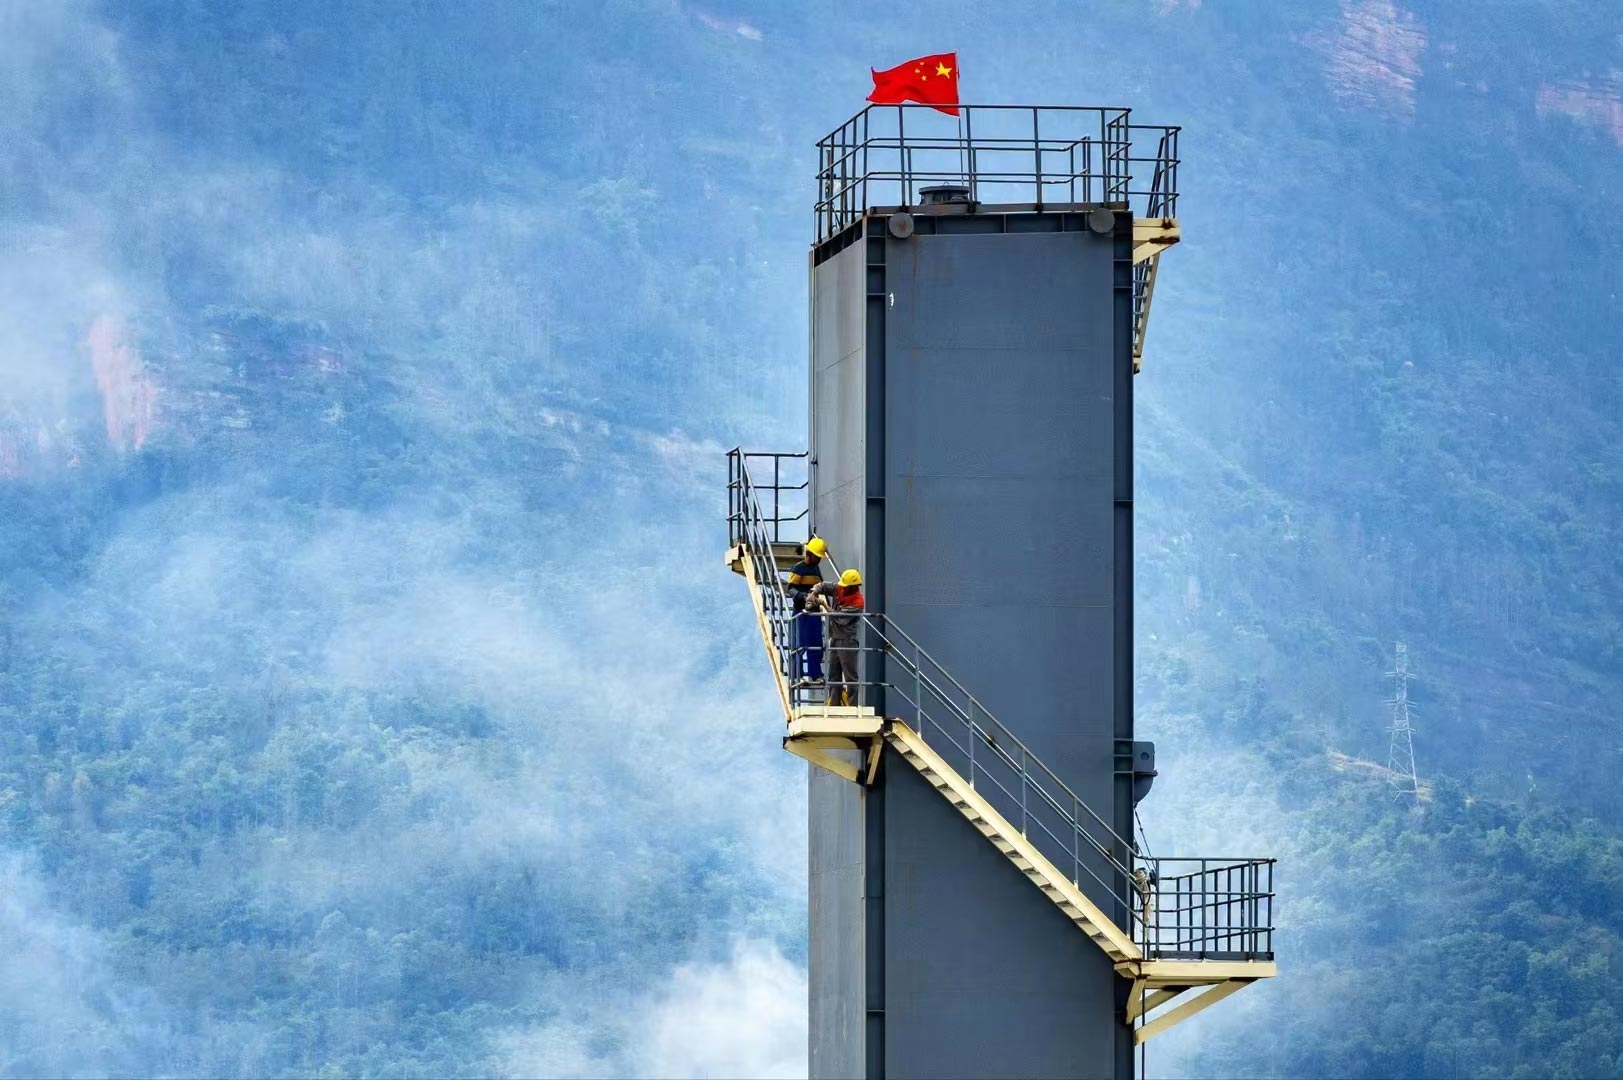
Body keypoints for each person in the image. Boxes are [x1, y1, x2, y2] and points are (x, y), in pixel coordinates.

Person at [812, 568, 865, 707]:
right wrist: (814, 592)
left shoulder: (858, 602)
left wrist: (823, 604)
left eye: (846, 586)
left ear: (854, 587)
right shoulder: (840, 588)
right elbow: (824, 585)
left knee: (850, 675)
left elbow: (840, 619)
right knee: (833, 674)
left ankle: (852, 706)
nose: (843, 588)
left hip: (848, 640)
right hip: (835, 638)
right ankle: (834, 703)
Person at [784, 537, 828, 683]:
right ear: (809, 554)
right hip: (800, 612)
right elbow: (790, 589)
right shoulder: (798, 569)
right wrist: (804, 596)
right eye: (817, 557)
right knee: (799, 643)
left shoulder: (816, 570)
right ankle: (797, 675)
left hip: (814, 612)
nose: (819, 560)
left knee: (815, 643)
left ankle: (816, 674)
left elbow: (821, 586)